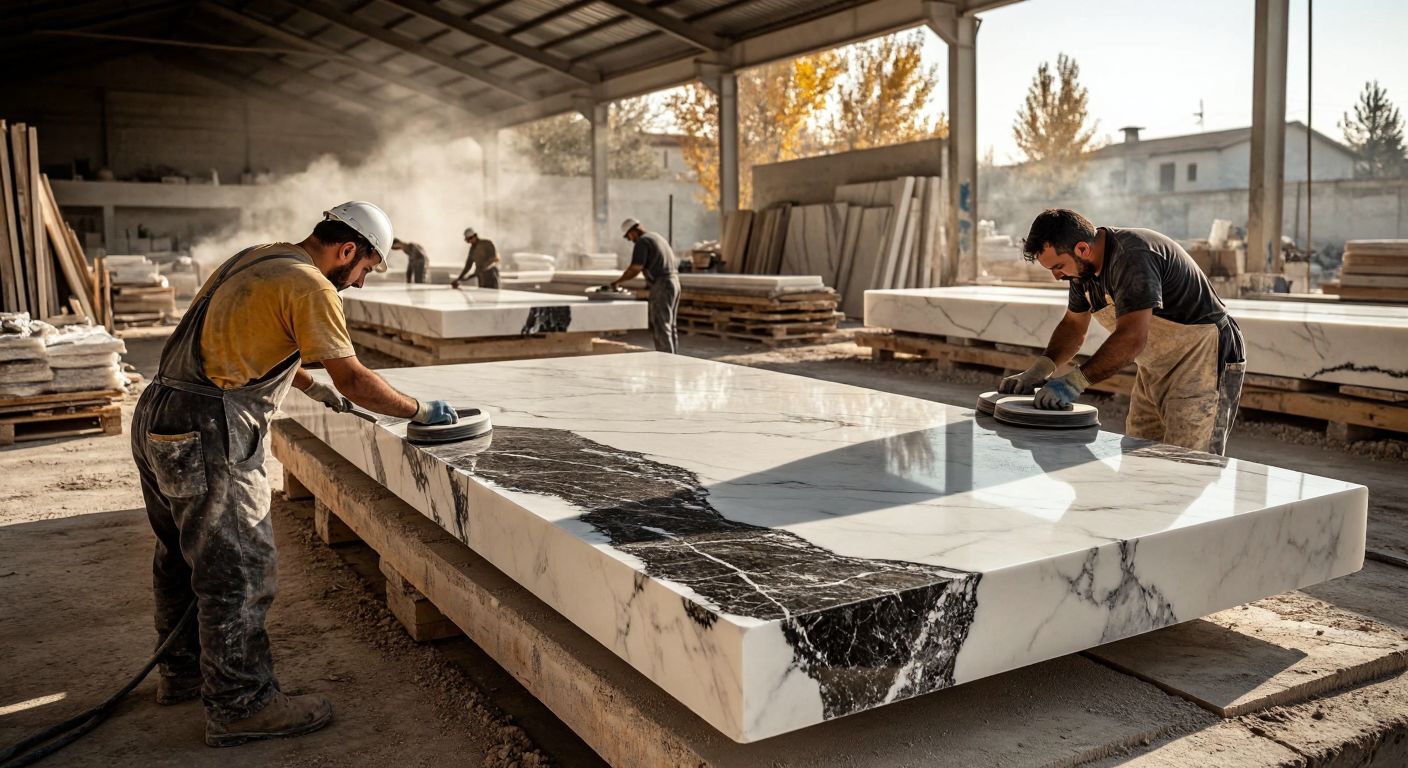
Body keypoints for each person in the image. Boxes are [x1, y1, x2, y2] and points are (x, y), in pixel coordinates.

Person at [130, 201, 458, 748]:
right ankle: (240, 706)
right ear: (348, 250)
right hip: (210, 428)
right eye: (365, 269)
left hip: (159, 414)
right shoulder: (313, 286)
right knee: (239, 570)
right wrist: (416, 409)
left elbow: (244, 337)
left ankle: (182, 675)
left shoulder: (258, 258)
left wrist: (308, 386)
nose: (359, 281)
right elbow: (354, 378)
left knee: (180, 555)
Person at [1002, 208, 1245, 455]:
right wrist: (1041, 368)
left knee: (1188, 462)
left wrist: (1074, 383)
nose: (1057, 276)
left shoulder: (1133, 257)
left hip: (1203, 360)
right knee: (1139, 457)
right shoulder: (1081, 273)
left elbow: (1131, 338)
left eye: (1059, 266)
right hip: (1155, 367)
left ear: (1083, 249)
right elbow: (1073, 326)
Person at [610, 217, 680, 353]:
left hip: (662, 284)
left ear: (633, 231)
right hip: (674, 282)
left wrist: (618, 281)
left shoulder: (642, 242)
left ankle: (666, 362)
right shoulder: (656, 237)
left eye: (628, 236)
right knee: (670, 325)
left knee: (661, 325)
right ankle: (674, 358)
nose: (630, 240)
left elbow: (635, 268)